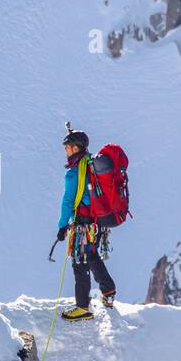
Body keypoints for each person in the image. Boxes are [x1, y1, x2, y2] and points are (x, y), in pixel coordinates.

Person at [56, 127, 115, 321]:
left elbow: (67, 201)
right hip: (98, 221)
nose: (66, 151)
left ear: (76, 148)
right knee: (90, 255)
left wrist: (62, 225)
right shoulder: (92, 165)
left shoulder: (75, 172)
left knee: (79, 261)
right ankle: (108, 290)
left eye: (68, 147)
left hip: (83, 223)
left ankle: (82, 307)